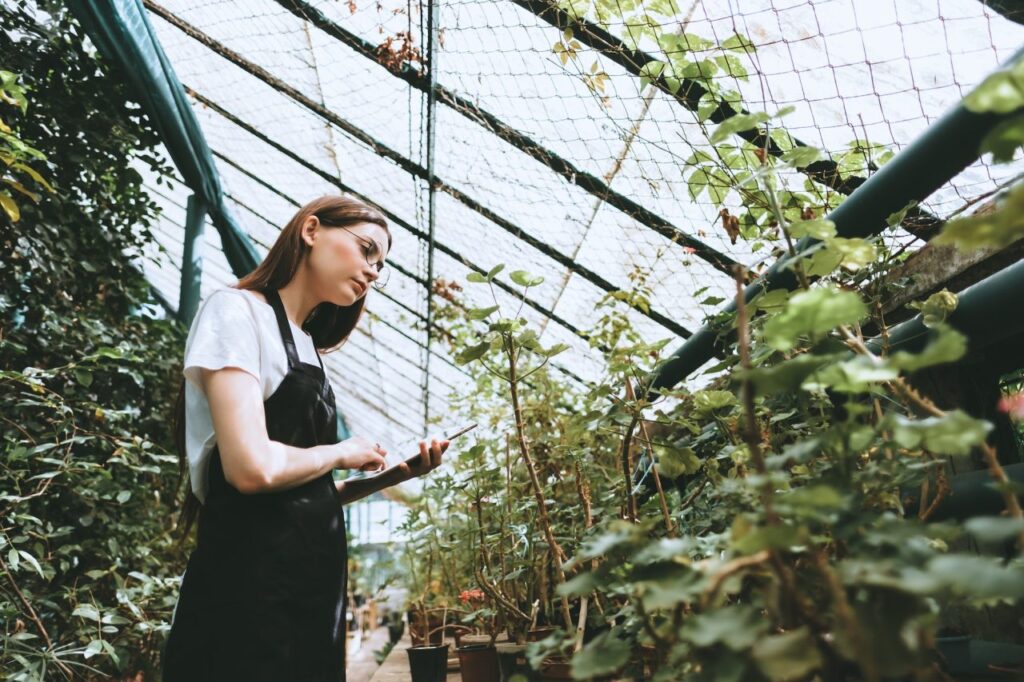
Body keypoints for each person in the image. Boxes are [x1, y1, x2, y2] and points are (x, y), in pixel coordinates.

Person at [162, 194, 449, 681]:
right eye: (366, 250)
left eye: (381, 265)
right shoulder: (235, 312)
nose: (373, 272)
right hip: (249, 584)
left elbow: (304, 495)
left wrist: (398, 474)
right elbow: (251, 471)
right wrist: (340, 451)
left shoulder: (309, 349)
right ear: (311, 230)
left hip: (312, 590)